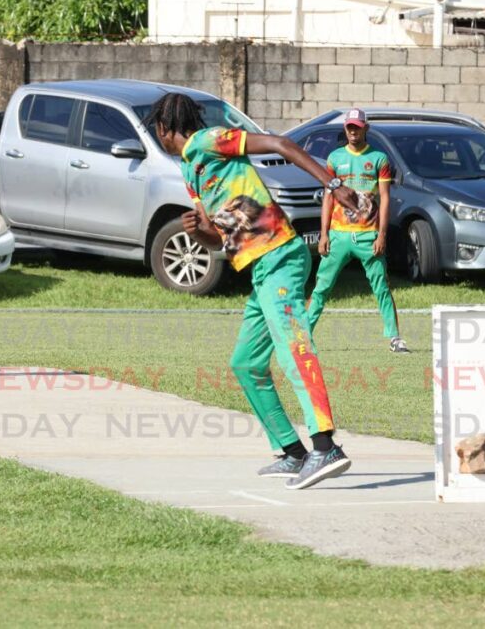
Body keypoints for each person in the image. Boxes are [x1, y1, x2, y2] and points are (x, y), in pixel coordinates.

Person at [148, 92, 360, 489]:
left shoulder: (210, 140)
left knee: (293, 348)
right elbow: (217, 238)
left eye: (156, 133)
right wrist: (200, 232)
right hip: (258, 269)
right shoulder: (192, 171)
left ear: (164, 128)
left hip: (280, 254)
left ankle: (325, 446)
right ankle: (294, 453)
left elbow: (281, 144)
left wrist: (333, 185)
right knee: (246, 363)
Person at [306, 109, 408, 353]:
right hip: (339, 234)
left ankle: (394, 338)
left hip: (368, 235)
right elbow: (328, 199)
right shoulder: (334, 158)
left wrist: (382, 234)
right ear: (345, 129)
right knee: (322, 287)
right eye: (349, 127)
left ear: (366, 129)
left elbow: (385, 199)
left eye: (357, 127)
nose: (353, 131)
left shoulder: (379, 159)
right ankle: (304, 336)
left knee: (381, 285)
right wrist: (324, 233)